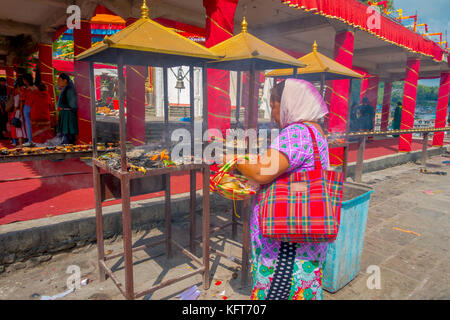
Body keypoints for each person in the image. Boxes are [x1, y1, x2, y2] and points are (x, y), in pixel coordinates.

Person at [222, 79, 330, 300]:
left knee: (278, 291)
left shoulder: (296, 132)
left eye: (273, 105)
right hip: (307, 230)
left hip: (286, 239)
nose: (272, 113)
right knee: (302, 288)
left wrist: (233, 159)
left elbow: (263, 172)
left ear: (289, 103)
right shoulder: (316, 131)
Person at [56, 73, 78, 145]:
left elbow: (73, 105)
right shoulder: (65, 89)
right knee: (64, 136)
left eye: (59, 80)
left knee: (67, 136)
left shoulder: (69, 89)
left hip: (68, 115)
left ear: (65, 80)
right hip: (64, 114)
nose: (58, 82)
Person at [21, 73, 37, 146]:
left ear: (25, 80)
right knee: (35, 124)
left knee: (29, 125)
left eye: (23, 80)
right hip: (35, 107)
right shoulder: (35, 88)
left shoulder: (26, 90)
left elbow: (22, 100)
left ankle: (30, 141)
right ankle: (35, 140)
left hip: (27, 107)